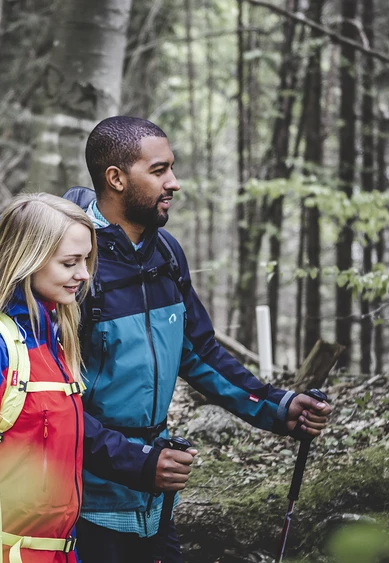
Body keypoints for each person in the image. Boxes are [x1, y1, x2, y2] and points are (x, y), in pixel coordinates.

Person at [72, 116, 334, 563]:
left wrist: (277, 406)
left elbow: (200, 354)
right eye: (158, 171)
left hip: (156, 495)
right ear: (115, 178)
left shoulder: (166, 253)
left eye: (171, 168)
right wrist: (136, 463)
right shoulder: (73, 264)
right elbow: (54, 403)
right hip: (86, 503)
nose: (174, 183)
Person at [0, 192, 200, 563]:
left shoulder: (53, 338)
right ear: (27, 262)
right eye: (70, 262)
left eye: (87, 260)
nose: (85, 275)